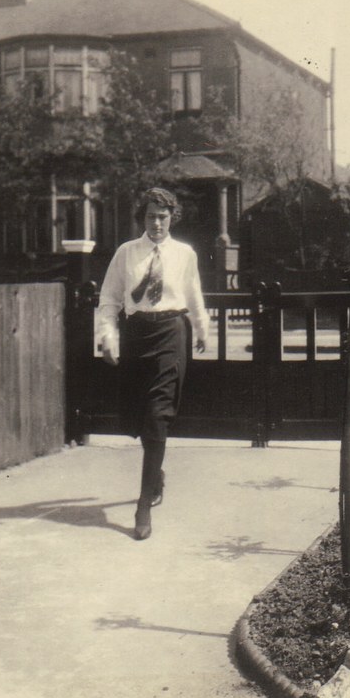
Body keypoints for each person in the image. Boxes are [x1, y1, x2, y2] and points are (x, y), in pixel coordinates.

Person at [96, 187, 208, 540]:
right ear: (141, 219)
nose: (156, 223)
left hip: (171, 334)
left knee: (159, 415)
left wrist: (203, 329)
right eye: (150, 216)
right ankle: (155, 474)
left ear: (172, 217)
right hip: (136, 335)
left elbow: (193, 294)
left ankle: (143, 504)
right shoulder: (127, 253)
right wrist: (108, 338)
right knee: (139, 416)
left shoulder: (184, 254)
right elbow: (110, 299)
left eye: (162, 216)